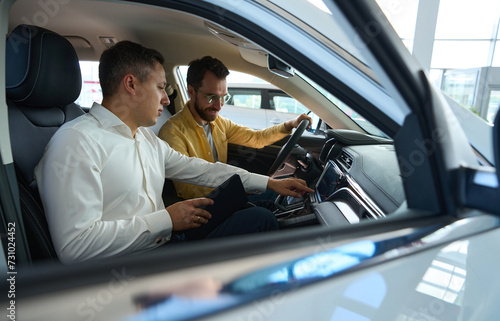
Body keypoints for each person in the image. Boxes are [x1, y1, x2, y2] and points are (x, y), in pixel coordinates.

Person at [34, 41, 313, 265]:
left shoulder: (144, 138)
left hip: (166, 240)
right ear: (131, 85)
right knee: (260, 220)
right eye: (159, 88)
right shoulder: (76, 143)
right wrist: (166, 219)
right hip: (134, 267)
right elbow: (76, 247)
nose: (167, 99)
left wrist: (269, 183)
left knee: (258, 217)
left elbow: (205, 169)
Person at [158, 56, 312, 200]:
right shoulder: (172, 133)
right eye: (212, 97)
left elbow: (256, 139)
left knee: (282, 195)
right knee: (268, 210)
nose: (219, 106)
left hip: (227, 194)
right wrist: (240, 187)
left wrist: (290, 124)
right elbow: (189, 190)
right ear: (191, 91)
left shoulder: (219, 123)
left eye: (223, 96)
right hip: (204, 209)